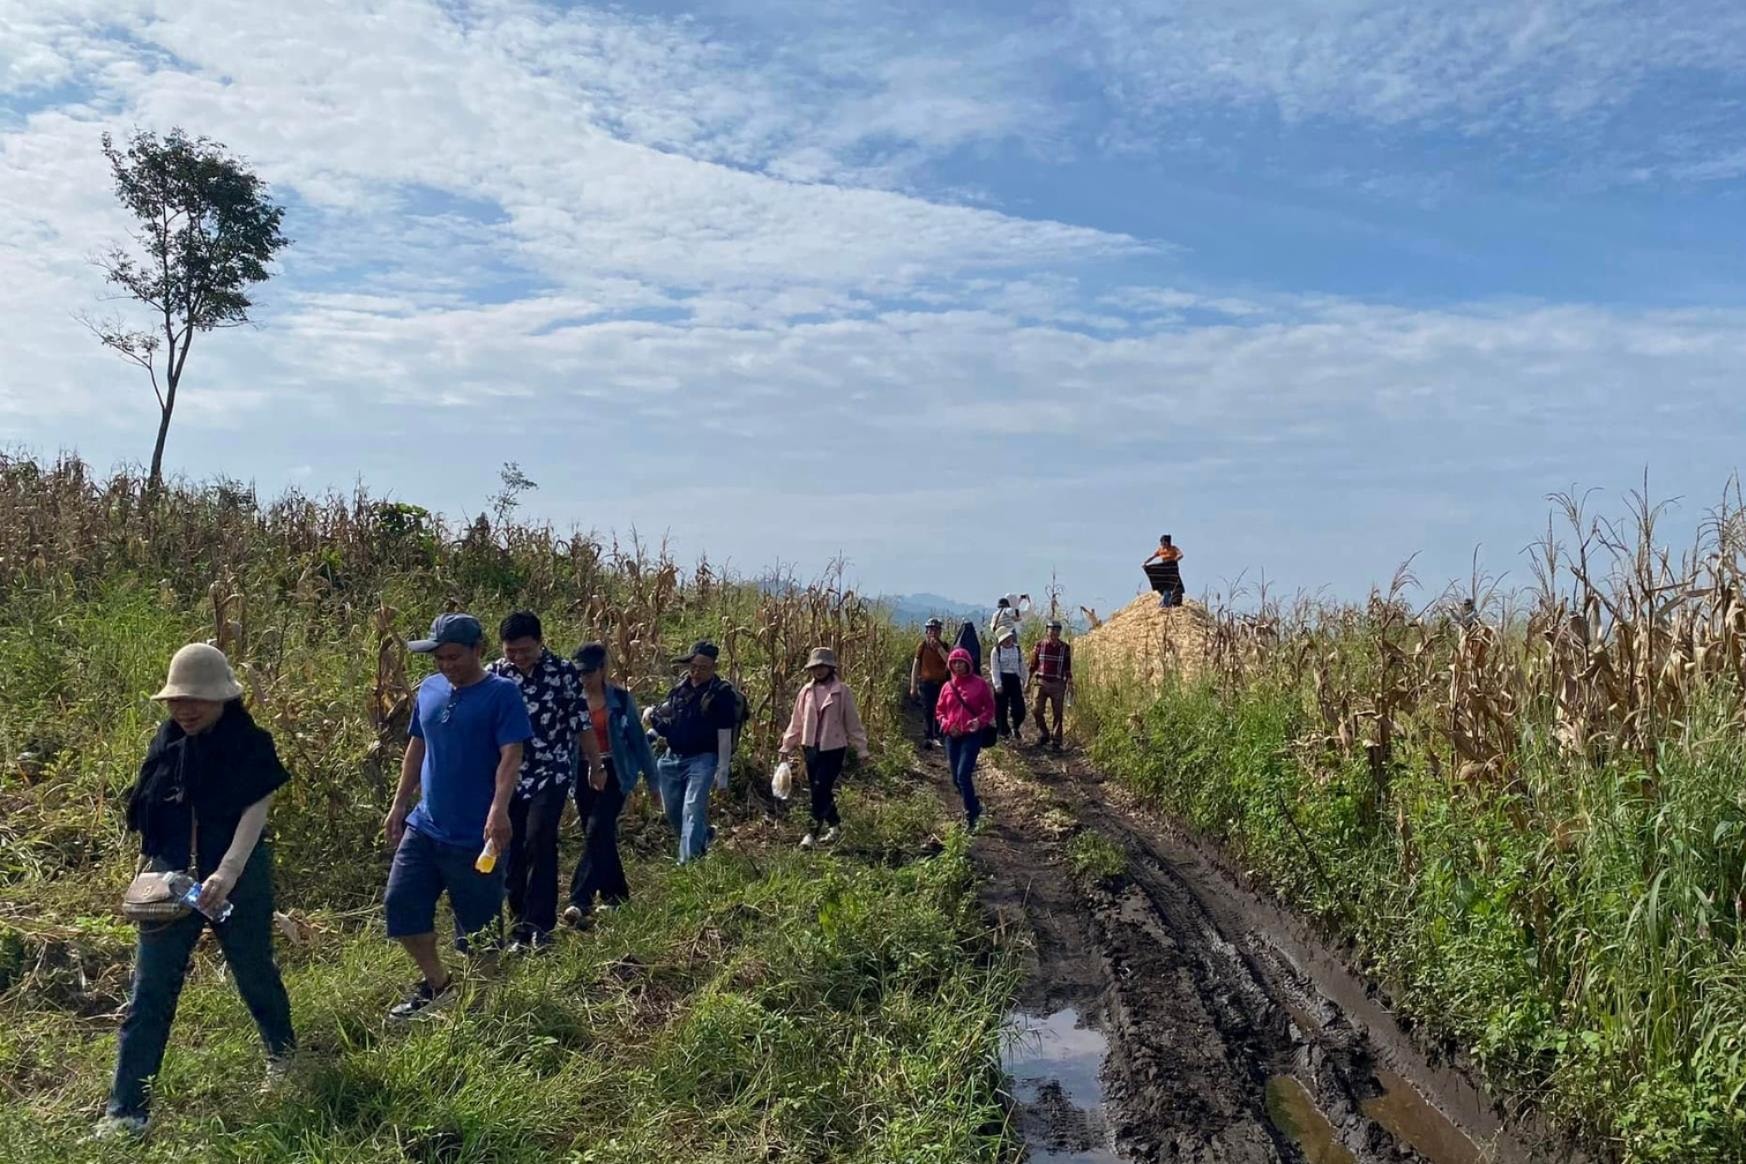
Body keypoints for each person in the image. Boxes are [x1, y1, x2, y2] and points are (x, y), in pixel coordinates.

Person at [97, 644, 296, 1140]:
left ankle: (283, 1056)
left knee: (253, 969)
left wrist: (226, 875)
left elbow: (254, 813)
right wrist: (150, 873)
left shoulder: (250, 744)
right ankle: (126, 1112)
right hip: (172, 880)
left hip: (237, 875)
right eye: (176, 700)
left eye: (197, 700)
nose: (185, 709)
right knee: (150, 991)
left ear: (223, 699)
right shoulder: (166, 743)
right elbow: (153, 815)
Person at [382, 613, 533, 1021]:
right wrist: (399, 804)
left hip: (476, 837)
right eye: (440, 658)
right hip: (425, 826)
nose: (446, 665)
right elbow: (417, 748)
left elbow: (511, 755)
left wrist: (498, 810)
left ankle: (478, 1013)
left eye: (454, 657)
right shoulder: (430, 689)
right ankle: (437, 984)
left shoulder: (501, 694)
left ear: (478, 650)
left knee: (480, 931)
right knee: (401, 907)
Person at [486, 611, 602, 951]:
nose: (518, 657)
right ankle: (519, 924)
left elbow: (581, 723)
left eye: (525, 650)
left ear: (540, 642)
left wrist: (595, 765)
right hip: (508, 776)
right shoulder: (495, 675)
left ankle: (540, 926)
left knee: (540, 841)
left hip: (550, 772)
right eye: (511, 651)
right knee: (512, 847)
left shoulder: (563, 672)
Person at [563, 641, 661, 928]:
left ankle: (579, 899)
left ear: (603, 669)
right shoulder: (571, 699)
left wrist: (653, 782)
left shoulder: (619, 699)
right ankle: (616, 896)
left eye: (589, 672)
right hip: (582, 771)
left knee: (597, 829)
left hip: (615, 770)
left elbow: (639, 742)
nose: (584, 678)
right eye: (579, 673)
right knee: (599, 835)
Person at [648, 641, 740, 864]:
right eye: (693, 667)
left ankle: (687, 862)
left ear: (714, 667)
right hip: (671, 758)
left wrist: (723, 772)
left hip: (703, 759)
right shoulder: (680, 689)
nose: (697, 672)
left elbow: (724, 736)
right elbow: (668, 719)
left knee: (693, 807)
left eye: (703, 668)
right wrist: (650, 725)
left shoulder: (721, 695)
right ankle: (703, 835)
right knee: (673, 811)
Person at [779, 647, 870, 849]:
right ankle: (835, 825)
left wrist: (862, 749)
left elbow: (853, 723)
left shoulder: (842, 691)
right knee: (819, 789)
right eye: (815, 667)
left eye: (822, 666)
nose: (819, 670)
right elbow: (797, 721)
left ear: (830, 667)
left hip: (834, 748)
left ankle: (811, 834)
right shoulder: (806, 692)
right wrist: (787, 745)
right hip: (811, 747)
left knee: (820, 788)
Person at [935, 647, 995, 830]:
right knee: (955, 778)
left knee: (963, 775)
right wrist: (947, 724)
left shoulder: (979, 684)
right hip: (952, 737)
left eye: (961, 663)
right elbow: (939, 711)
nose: (958, 666)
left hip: (971, 736)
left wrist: (979, 721)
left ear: (969, 664)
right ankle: (974, 805)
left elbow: (990, 709)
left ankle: (970, 816)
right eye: (954, 663)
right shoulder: (947, 687)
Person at [1028, 620, 1074, 750]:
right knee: (1036, 709)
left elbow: (1067, 667)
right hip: (1041, 681)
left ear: (1060, 632)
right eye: (1052, 629)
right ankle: (1044, 733)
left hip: (1058, 683)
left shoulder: (1065, 648)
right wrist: (1028, 682)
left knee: (1058, 713)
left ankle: (1056, 741)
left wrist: (1070, 682)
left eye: (1057, 630)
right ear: (1047, 630)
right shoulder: (1039, 645)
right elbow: (1033, 664)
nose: (1054, 632)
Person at [909, 618, 952, 748]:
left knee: (940, 709)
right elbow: (916, 665)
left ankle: (939, 735)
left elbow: (949, 661)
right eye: (930, 630)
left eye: (936, 630)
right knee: (927, 710)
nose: (933, 633)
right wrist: (913, 686)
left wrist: (939, 648)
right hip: (926, 683)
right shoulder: (922, 646)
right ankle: (928, 736)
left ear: (940, 632)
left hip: (941, 683)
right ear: (926, 632)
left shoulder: (945, 646)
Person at [989, 625, 1028, 740]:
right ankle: (1003, 731)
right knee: (1001, 708)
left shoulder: (1017, 649)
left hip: (1015, 679)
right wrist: (997, 685)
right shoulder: (996, 651)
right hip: (1002, 679)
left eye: (1009, 638)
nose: (1008, 641)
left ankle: (1016, 726)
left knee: (1019, 708)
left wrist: (1026, 681)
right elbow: (995, 669)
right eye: (1005, 639)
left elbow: (1022, 666)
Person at [1144, 534, 1186, 609]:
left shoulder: (1173, 548)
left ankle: (1171, 602)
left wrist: (1175, 560)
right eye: (1162, 543)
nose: (1162, 544)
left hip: (1172, 570)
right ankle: (1166, 603)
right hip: (1164, 571)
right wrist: (1146, 562)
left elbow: (1181, 555)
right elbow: (1153, 557)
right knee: (1165, 587)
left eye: (1164, 542)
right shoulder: (1161, 550)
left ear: (1167, 542)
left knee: (1175, 586)